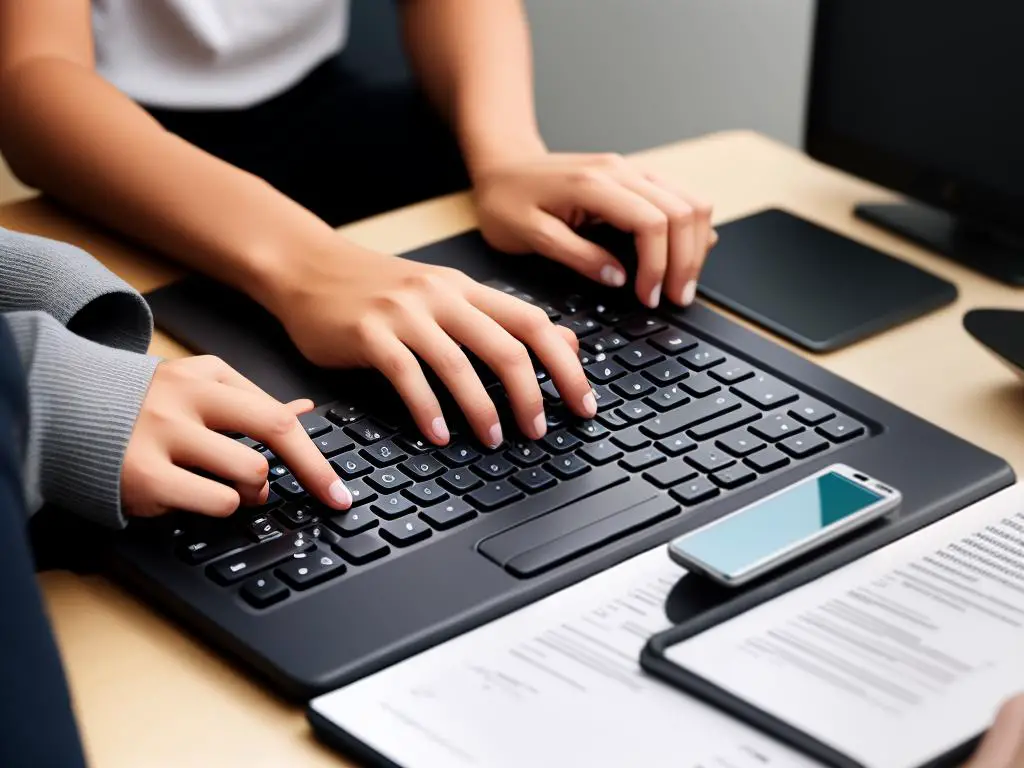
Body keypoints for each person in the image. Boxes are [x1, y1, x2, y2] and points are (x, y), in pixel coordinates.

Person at [0, 0, 716, 451]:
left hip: (331, 111)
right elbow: (34, 70)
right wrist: (309, 266)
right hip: (115, 151)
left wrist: (507, 155)